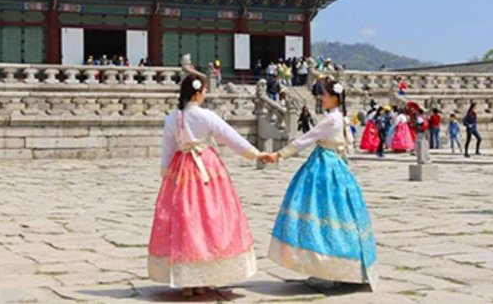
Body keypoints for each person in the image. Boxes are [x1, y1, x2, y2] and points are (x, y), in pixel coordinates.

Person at [148, 74, 271, 295]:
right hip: (206, 168)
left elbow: (167, 150)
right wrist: (255, 154)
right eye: (204, 90)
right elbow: (230, 137)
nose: (205, 94)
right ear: (197, 93)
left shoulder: (172, 118)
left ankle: (187, 282)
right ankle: (203, 277)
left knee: (185, 220)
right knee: (208, 219)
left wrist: (166, 175)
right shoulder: (206, 116)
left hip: (181, 170)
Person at [265, 78, 378, 290]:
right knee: (339, 214)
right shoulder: (342, 118)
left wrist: (279, 154)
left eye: (324, 95)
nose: (320, 98)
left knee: (319, 213)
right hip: (337, 165)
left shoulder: (330, 120)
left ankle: (324, 267)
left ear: (334, 98)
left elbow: (305, 139)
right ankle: (344, 267)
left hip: (323, 168)